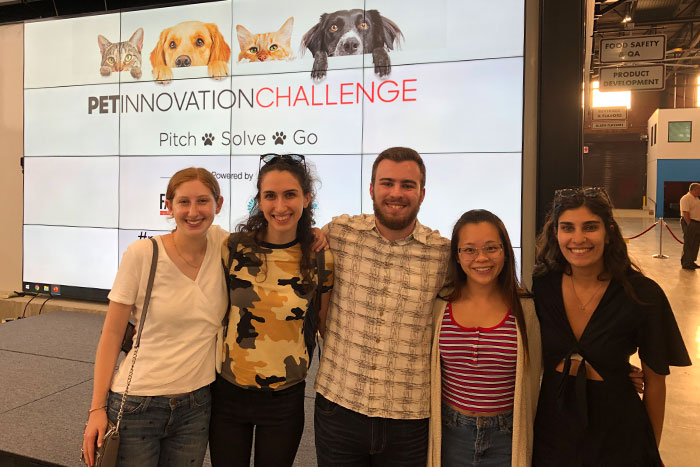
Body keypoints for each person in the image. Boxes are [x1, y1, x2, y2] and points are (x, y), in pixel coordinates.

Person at [531, 186, 691, 466]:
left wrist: (650, 451)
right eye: (567, 227)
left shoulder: (642, 294)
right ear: (556, 233)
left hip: (616, 428)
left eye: (590, 227)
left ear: (609, 232)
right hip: (552, 425)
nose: (578, 238)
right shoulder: (543, 285)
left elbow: (655, 384)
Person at [313, 147, 450, 467]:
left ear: (422, 193)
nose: (396, 193)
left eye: (407, 185)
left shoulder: (442, 255)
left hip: (410, 417)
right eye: (387, 183)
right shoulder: (339, 234)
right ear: (372, 188)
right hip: (339, 407)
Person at [82, 167, 228, 467]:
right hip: (138, 404)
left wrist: (319, 233)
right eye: (183, 202)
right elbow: (110, 336)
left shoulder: (224, 245)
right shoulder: (142, 254)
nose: (193, 211)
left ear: (218, 205)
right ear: (169, 206)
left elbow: (274, 238)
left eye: (202, 201)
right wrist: (96, 409)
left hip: (197, 405)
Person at [209, 153, 334, 467]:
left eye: (290, 194)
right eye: (270, 196)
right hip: (228, 392)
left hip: (285, 398)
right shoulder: (233, 248)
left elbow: (324, 328)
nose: (280, 206)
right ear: (260, 201)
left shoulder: (321, 259)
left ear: (307, 198)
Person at [428, 209, 542, 467]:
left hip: (507, 436)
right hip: (450, 433)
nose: (481, 258)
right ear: (456, 256)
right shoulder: (440, 306)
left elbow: (556, 355)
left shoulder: (526, 309)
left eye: (492, 248)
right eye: (469, 250)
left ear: (505, 251)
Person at [680, 182, 700, 270]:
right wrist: (689, 224)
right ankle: (686, 263)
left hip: (697, 223)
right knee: (689, 242)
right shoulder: (686, 198)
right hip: (690, 222)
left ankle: (692, 261)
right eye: (699, 189)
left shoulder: (697, 199)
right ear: (694, 190)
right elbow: (685, 212)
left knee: (695, 243)